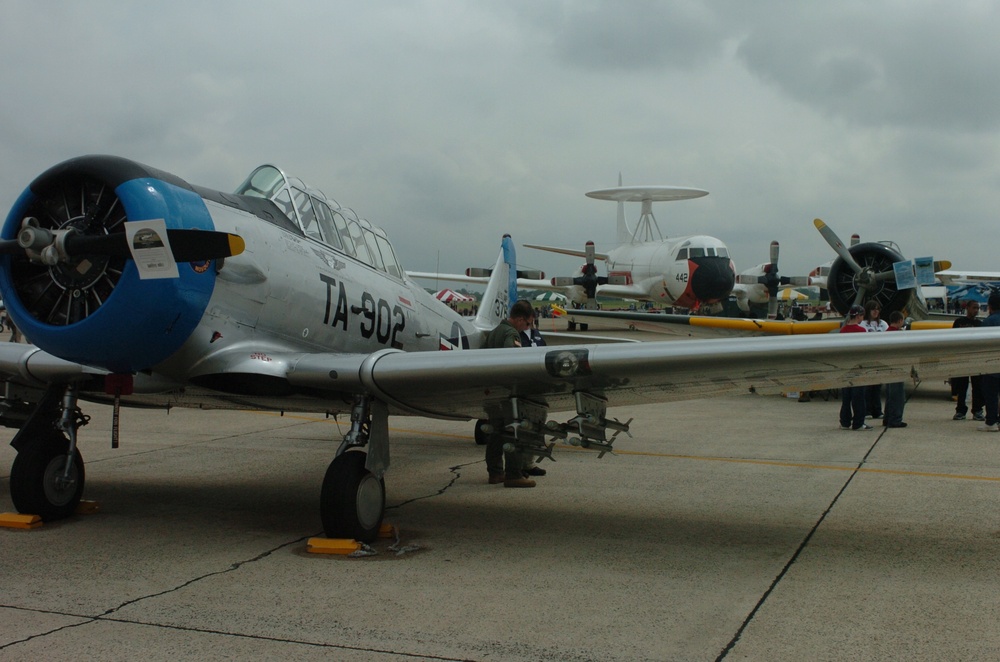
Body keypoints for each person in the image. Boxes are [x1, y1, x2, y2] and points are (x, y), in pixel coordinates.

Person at [484, 299, 537, 486]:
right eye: (528, 323)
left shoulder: (493, 333)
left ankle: (495, 473)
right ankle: (514, 474)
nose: (527, 328)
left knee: (496, 433)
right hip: (507, 393)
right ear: (521, 319)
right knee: (513, 430)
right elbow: (511, 361)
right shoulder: (511, 333)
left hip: (491, 391)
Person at [839, 305, 873, 431]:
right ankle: (858, 423)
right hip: (858, 366)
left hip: (846, 366)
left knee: (846, 397)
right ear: (858, 316)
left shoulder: (843, 330)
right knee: (858, 397)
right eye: (862, 316)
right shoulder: (861, 331)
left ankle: (845, 422)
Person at [951, 300, 984, 421]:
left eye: (978, 308)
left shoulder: (980, 324)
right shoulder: (959, 322)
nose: (976, 310)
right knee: (961, 386)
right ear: (968, 308)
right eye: (974, 308)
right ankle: (960, 410)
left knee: (977, 386)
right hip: (962, 359)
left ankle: (977, 410)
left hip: (975, 360)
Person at [860, 300, 887, 419]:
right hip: (867, 358)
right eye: (873, 309)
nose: (876, 311)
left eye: (878, 309)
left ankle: (877, 410)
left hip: (880, 358)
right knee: (867, 386)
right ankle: (866, 410)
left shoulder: (883, 324)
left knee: (877, 386)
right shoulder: (863, 324)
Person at [882, 311, 908, 428]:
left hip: (887, 367)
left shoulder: (885, 333)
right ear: (899, 321)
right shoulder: (898, 334)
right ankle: (895, 419)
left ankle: (887, 418)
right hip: (897, 367)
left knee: (889, 395)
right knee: (897, 396)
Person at [979, 294, 1000, 432]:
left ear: (990, 306)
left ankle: (991, 421)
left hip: (991, 365)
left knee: (991, 395)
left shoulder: (988, 322)